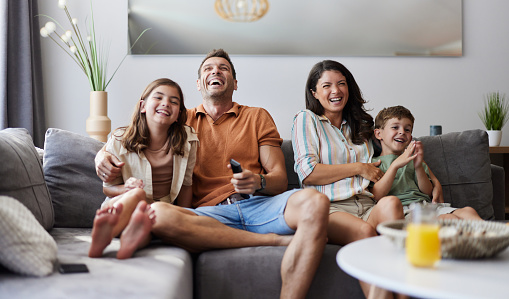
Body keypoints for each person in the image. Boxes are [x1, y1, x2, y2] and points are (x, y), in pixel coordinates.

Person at [96, 49, 329, 299]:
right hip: (208, 213)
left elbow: (280, 181)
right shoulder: (179, 120)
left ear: (235, 83)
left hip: (260, 206)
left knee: (316, 202)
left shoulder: (257, 116)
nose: (215, 71)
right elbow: (134, 136)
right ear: (198, 83)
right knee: (158, 215)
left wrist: (258, 181)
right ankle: (270, 240)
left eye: (223, 68)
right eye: (208, 68)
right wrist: (100, 156)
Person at [291, 60, 406, 299]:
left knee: (393, 205)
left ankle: (404, 293)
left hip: (366, 204)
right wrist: (358, 168)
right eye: (327, 86)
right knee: (364, 232)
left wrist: (432, 178)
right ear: (315, 92)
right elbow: (308, 173)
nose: (336, 91)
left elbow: (391, 149)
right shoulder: (307, 119)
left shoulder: (361, 126)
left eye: (341, 84)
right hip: (330, 209)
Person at [89, 78, 199, 259]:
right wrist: (128, 188)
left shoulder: (188, 141)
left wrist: (184, 215)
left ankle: (132, 240)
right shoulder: (119, 139)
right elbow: (106, 187)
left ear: (178, 113)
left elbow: (187, 184)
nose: (166, 103)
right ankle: (108, 231)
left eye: (174, 101)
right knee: (138, 195)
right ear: (142, 106)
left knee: (150, 221)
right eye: (159, 97)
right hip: (123, 205)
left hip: (159, 209)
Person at [372, 105, 481, 220]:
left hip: (427, 206)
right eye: (395, 127)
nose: (402, 132)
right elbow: (376, 196)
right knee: (449, 219)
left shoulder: (414, 158)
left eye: (407, 129)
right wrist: (395, 166)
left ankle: (493, 234)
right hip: (405, 210)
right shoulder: (374, 163)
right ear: (379, 134)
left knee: (469, 211)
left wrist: (418, 166)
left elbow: (428, 192)